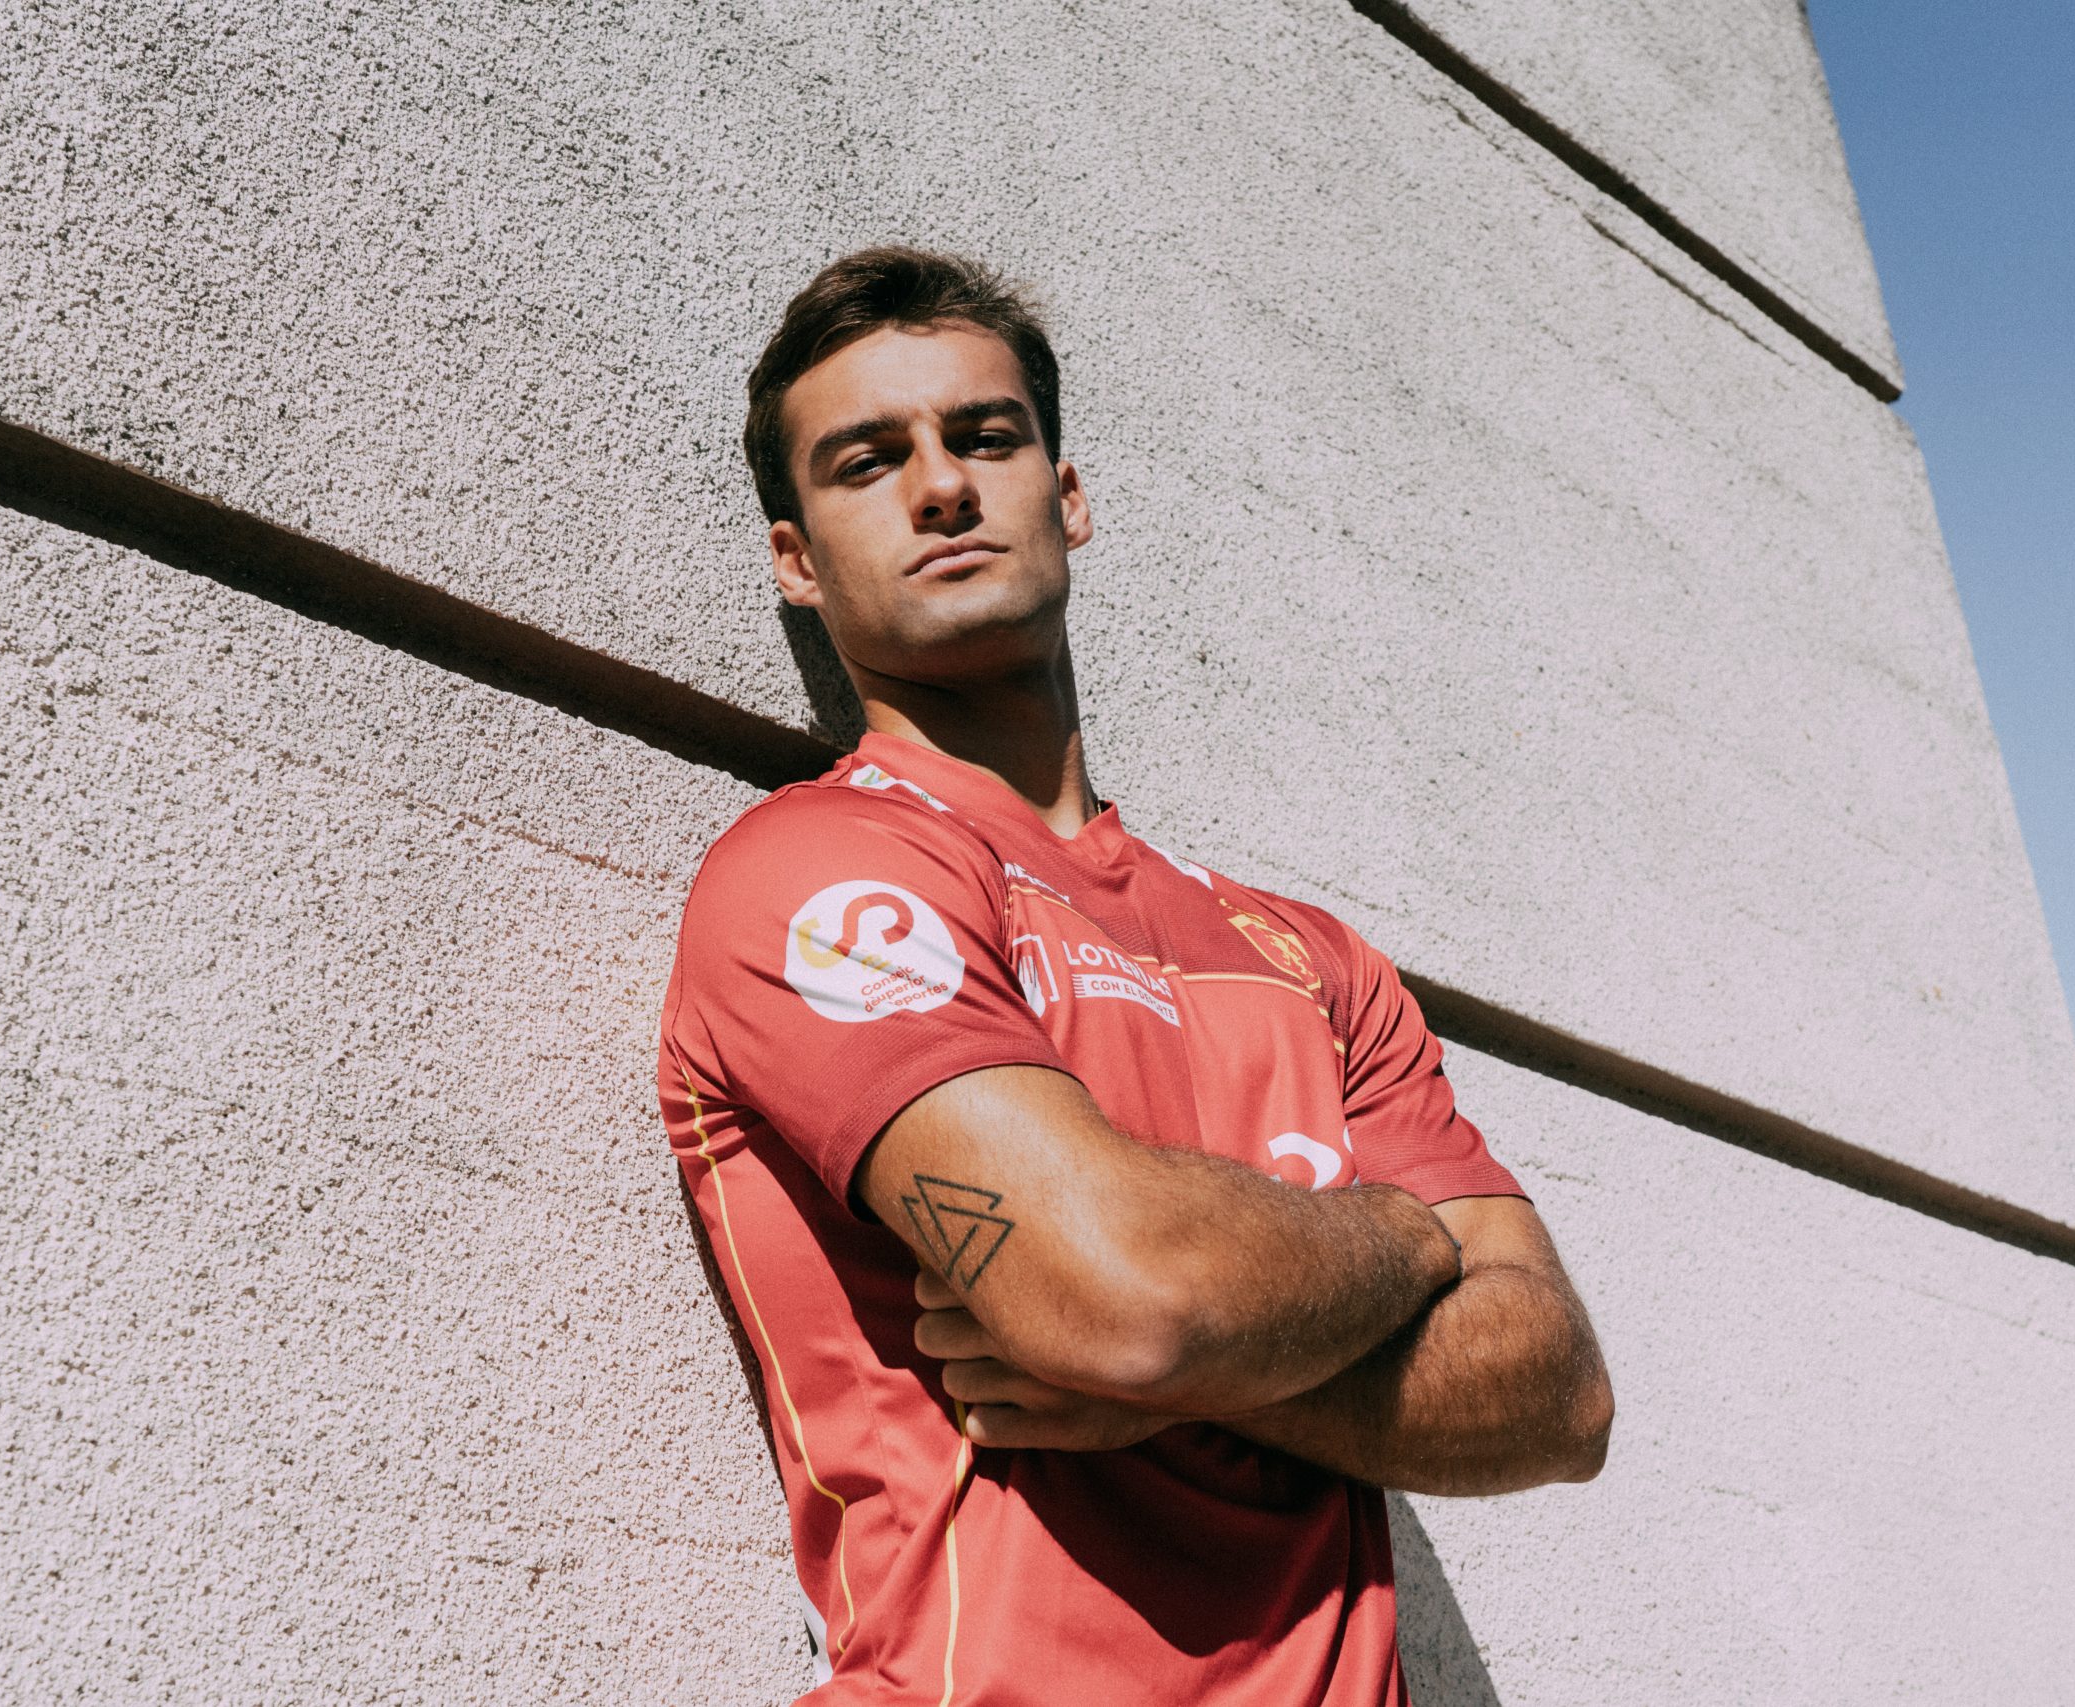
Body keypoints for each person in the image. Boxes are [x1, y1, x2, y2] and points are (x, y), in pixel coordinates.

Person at [657, 247, 1613, 1706]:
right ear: (797, 559)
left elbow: (1557, 1399)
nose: (940, 487)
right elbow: (1127, 1302)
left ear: (1069, 494)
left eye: (985, 437)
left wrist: (1205, 1355)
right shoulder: (823, 877)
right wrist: (1411, 1243)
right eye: (868, 462)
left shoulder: (1310, 958)